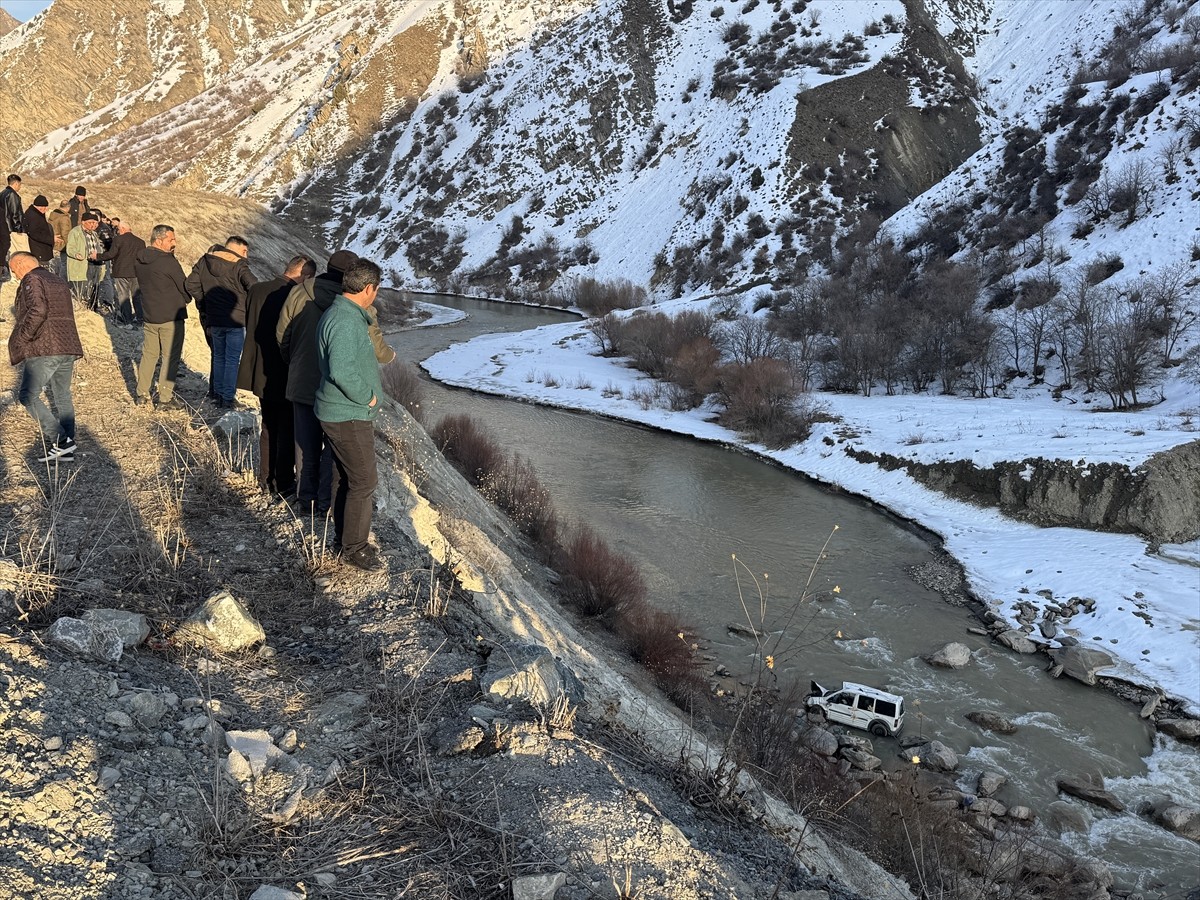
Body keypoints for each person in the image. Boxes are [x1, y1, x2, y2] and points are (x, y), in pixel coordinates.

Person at [277, 250, 394, 516]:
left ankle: (305, 501)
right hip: (341, 396)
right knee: (335, 451)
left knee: (305, 445)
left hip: (303, 379)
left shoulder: (299, 293)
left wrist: (292, 362)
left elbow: (282, 334)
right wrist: (387, 359)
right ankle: (328, 504)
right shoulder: (359, 309)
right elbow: (376, 347)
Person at [315, 258, 386, 571]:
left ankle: (342, 540)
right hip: (348, 414)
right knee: (363, 481)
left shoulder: (344, 314)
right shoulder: (346, 321)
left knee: (345, 477)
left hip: (341, 411)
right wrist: (368, 398)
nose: (376, 295)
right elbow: (342, 371)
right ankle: (354, 549)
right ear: (368, 289)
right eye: (377, 289)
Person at [237, 254, 315, 497]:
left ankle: (265, 477)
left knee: (268, 425)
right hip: (283, 371)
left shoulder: (257, 289)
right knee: (287, 428)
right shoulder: (297, 297)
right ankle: (283, 482)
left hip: (258, 368)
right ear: (305, 275)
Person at [7, 251, 84, 462]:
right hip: (67, 345)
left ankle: (61, 441)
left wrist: (22, 338)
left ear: (22, 264)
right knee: (62, 395)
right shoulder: (57, 280)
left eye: (14, 270)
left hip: (44, 347)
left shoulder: (32, 278)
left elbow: (38, 310)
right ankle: (67, 446)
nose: (15, 275)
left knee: (28, 396)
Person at [185, 235, 257, 408]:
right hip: (235, 320)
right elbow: (254, 286)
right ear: (237, 249)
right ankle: (227, 399)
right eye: (244, 251)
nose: (245, 255)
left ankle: (217, 395)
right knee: (232, 360)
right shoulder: (239, 265)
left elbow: (190, 284)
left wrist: (206, 302)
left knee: (218, 357)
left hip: (214, 319)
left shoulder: (205, 261)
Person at [132, 224, 190, 410]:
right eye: (171, 239)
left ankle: (142, 394)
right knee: (170, 357)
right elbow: (185, 287)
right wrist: (185, 299)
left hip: (150, 314)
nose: (174, 243)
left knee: (149, 355)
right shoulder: (168, 262)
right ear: (159, 240)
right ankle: (165, 398)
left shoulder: (140, 259)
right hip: (171, 315)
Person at [98, 220, 146, 326]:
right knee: (137, 297)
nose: (118, 231)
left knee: (123, 296)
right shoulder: (141, 242)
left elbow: (111, 254)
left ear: (123, 229)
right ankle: (140, 319)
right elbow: (143, 259)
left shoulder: (118, 239)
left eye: (119, 229)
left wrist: (97, 256)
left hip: (121, 272)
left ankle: (127, 320)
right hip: (136, 273)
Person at [65, 212, 104, 308]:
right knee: (81, 291)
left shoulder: (95, 234)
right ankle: (82, 311)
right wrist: (76, 254)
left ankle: (92, 310)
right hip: (82, 265)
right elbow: (70, 248)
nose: (93, 225)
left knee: (94, 290)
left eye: (95, 223)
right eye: (91, 222)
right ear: (83, 222)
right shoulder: (75, 232)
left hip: (96, 265)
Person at [22, 195, 55, 267]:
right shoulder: (34, 216)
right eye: (44, 207)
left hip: (40, 249)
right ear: (39, 206)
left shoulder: (36, 213)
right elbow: (35, 233)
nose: (46, 209)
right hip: (39, 250)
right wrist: (51, 239)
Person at [0, 174, 24, 275]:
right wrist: (19, 228)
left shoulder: (3, 193)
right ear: (16, 183)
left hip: (2, 225)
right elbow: (14, 213)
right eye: (20, 185)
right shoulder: (12, 195)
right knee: (11, 250)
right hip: (9, 227)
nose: (20, 187)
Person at [47, 199, 71, 277]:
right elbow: (65, 233)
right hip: (62, 245)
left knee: (53, 266)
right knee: (63, 266)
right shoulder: (64, 218)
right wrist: (70, 245)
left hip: (53, 243)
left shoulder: (53, 214)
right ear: (68, 207)